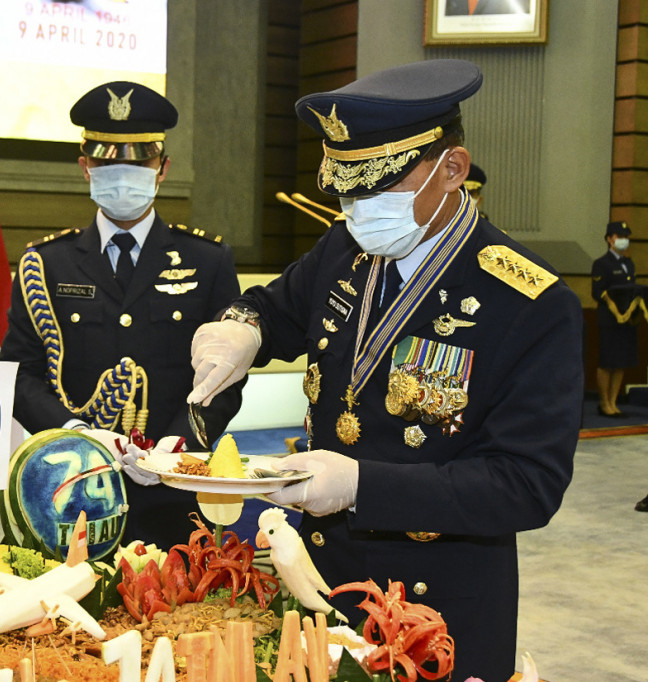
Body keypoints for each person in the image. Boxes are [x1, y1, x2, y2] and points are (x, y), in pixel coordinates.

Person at [188, 60, 582, 681]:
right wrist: (241, 329)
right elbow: (276, 308)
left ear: (452, 169)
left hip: (435, 607)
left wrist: (361, 486)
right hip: (320, 579)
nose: (356, 208)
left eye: (375, 188)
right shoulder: (346, 250)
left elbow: (526, 484)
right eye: (345, 190)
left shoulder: (528, 301)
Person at [0, 81, 244, 549]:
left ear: (162, 168)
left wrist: (177, 446)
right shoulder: (47, 263)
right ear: (85, 167)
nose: (122, 174)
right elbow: (20, 375)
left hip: (174, 494)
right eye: (108, 162)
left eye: (138, 161)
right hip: (69, 492)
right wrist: (76, 434)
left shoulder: (208, 261)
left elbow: (225, 379)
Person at [591, 220, 639, 417]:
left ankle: (613, 401)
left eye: (626, 237)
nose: (624, 241)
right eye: (620, 237)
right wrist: (615, 311)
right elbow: (598, 292)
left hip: (627, 320)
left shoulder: (628, 263)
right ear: (610, 239)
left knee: (620, 362)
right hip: (609, 320)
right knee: (607, 362)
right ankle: (603, 402)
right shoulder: (602, 264)